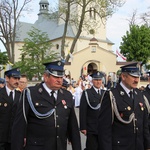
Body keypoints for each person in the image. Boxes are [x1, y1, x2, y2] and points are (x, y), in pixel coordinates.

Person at [11, 60, 81, 150]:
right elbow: (19, 126)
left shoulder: (67, 95)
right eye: (55, 76)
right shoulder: (31, 94)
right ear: (45, 77)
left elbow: (73, 127)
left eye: (61, 77)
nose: (59, 80)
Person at [98, 62, 150, 150]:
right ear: (123, 77)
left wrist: (147, 146)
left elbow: (144, 126)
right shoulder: (111, 95)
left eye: (137, 77)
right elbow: (104, 130)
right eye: (133, 77)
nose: (137, 80)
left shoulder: (140, 95)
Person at [79, 71, 107, 150]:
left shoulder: (105, 93)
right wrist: (83, 127)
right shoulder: (87, 93)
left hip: (103, 127)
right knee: (92, 147)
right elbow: (83, 111)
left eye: (99, 80)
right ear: (92, 81)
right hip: (91, 127)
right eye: (96, 80)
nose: (98, 82)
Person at [0, 68, 21, 150]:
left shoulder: (20, 96)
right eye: (15, 78)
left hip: (14, 138)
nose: (17, 81)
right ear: (7, 78)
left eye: (18, 79)